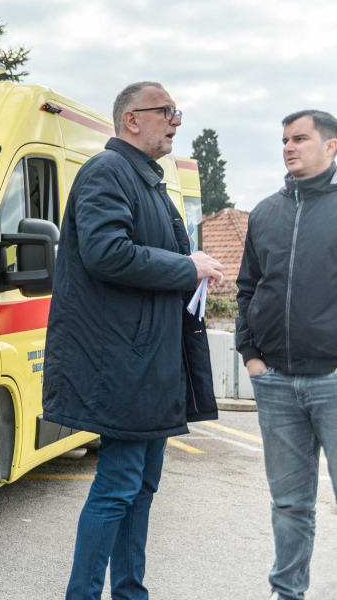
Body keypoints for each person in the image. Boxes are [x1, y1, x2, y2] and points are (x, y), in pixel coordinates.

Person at [42, 81, 224, 600]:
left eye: (176, 112)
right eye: (167, 112)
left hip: (148, 363)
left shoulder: (146, 178)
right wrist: (186, 266)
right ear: (131, 120)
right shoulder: (107, 171)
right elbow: (106, 253)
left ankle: (129, 593)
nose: (176, 121)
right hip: (122, 364)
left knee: (140, 490)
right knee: (118, 488)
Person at [237, 110, 337, 600]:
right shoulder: (264, 213)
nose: (289, 147)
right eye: (284, 140)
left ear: (331, 146)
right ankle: (287, 593)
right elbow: (246, 290)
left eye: (300, 138)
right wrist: (251, 355)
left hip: (334, 381)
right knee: (290, 505)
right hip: (276, 383)